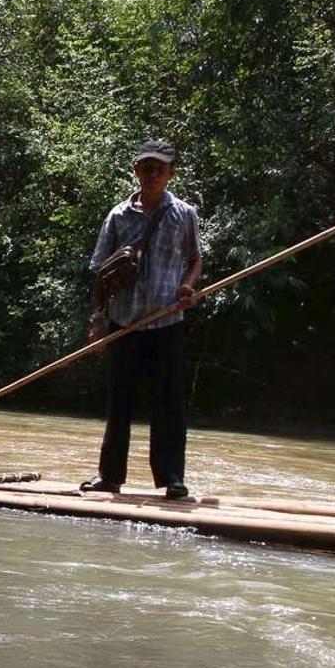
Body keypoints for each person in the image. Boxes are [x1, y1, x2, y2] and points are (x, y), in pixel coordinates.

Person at [81, 138, 203, 499]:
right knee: (120, 402)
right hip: (124, 322)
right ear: (136, 171)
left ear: (170, 174)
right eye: (146, 167)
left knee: (168, 403)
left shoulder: (185, 214)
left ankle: (171, 479)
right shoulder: (118, 215)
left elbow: (196, 258)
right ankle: (110, 477)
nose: (152, 174)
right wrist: (97, 320)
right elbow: (100, 272)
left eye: (159, 168)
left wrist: (187, 286)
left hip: (167, 322)